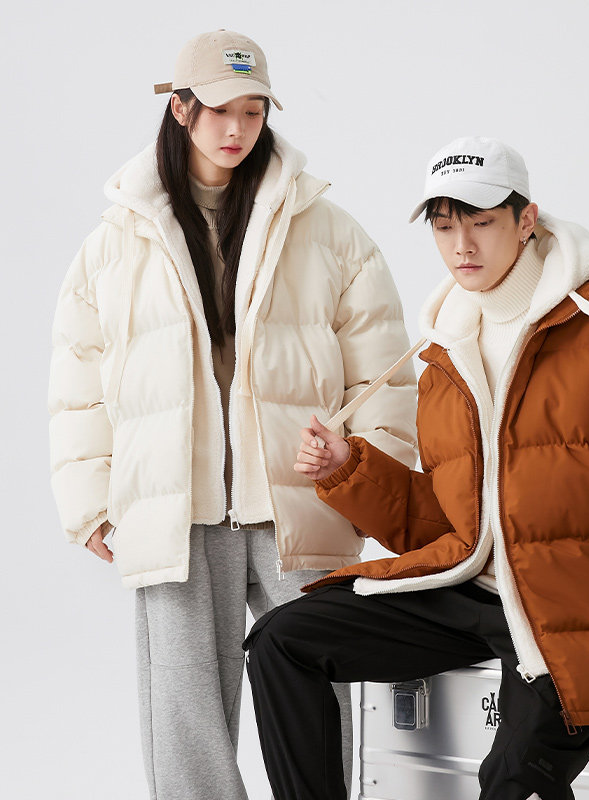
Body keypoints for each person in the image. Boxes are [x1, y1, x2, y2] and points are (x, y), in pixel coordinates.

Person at [243, 136, 589, 800]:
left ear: (525, 220)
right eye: (444, 226)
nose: (462, 245)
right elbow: (455, 525)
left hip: (586, 599)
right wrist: (351, 471)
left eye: (481, 222)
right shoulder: (446, 349)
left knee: (512, 775)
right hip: (478, 592)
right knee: (281, 640)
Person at [47, 29, 417, 800]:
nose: (238, 128)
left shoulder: (328, 230)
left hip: (298, 494)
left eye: (254, 110)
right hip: (174, 502)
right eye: (220, 109)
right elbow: (79, 375)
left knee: (319, 689)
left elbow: (383, 366)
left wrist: (369, 478)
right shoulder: (117, 240)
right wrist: (89, 501)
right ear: (180, 109)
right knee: (182, 705)